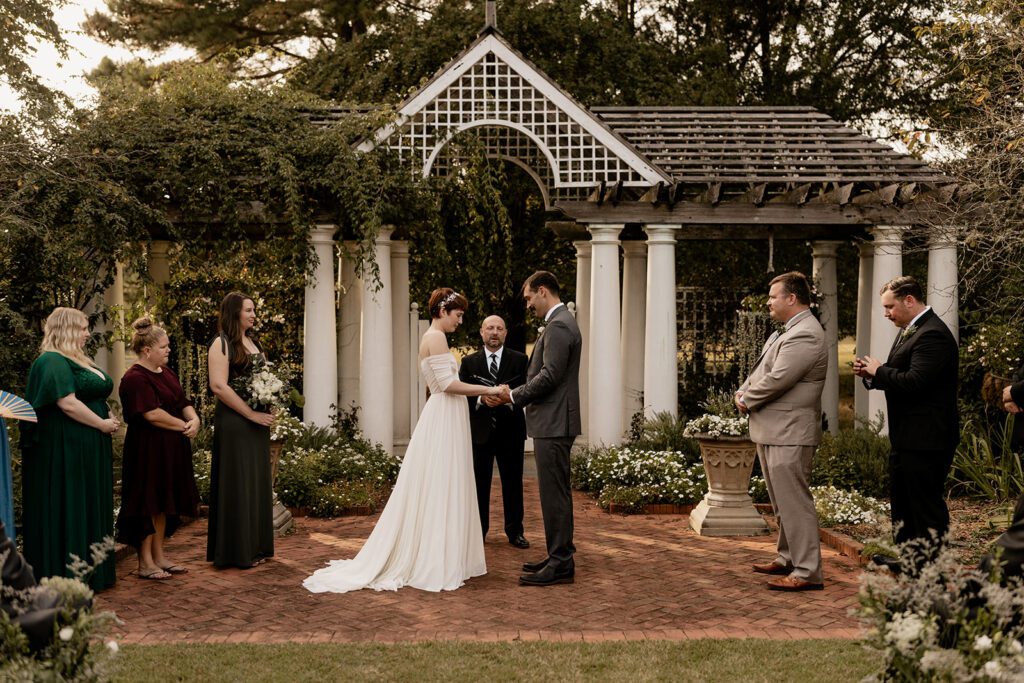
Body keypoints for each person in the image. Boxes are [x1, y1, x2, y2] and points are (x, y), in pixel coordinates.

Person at [304, 288, 503, 593]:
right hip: (443, 415)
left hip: (448, 415)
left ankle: (447, 554)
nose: (460, 322)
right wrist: (488, 390)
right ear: (442, 311)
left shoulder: (436, 337)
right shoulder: (435, 337)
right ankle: (434, 558)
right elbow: (447, 385)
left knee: (445, 482)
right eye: (458, 315)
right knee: (440, 484)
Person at [854, 275, 959, 562]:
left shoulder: (933, 334)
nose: (886, 314)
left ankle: (930, 567)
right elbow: (902, 375)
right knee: (904, 501)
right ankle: (908, 558)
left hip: (928, 437)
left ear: (909, 300)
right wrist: (872, 375)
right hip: (908, 436)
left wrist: (879, 371)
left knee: (925, 505)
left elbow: (915, 381)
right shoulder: (912, 330)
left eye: (890, 307)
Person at [735, 271, 828, 592]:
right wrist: (743, 390)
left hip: (790, 431)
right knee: (781, 502)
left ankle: (807, 571)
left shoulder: (806, 334)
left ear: (792, 298)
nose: (769, 302)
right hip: (773, 429)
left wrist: (747, 398)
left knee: (795, 502)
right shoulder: (787, 331)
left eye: (774, 296)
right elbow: (763, 370)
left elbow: (780, 378)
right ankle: (787, 557)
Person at [20, 307, 119, 591]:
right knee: (70, 501)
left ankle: (93, 571)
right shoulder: (51, 361)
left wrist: (106, 418)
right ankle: (67, 575)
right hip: (66, 448)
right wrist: (101, 424)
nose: (88, 333)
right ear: (66, 329)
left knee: (88, 501)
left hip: (87, 446)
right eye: (83, 328)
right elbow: (67, 403)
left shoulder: (76, 360)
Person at [495, 271, 582, 587]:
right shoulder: (561, 322)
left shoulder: (559, 325)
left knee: (554, 495)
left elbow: (551, 376)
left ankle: (560, 564)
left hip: (554, 421)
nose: (528, 304)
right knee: (555, 493)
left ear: (542, 291)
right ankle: (559, 556)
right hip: (555, 420)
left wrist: (513, 395)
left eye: (530, 297)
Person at [116, 317, 201, 580]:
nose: (168, 350)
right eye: (164, 347)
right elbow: (152, 414)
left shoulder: (167, 373)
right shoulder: (134, 379)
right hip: (148, 450)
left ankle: (160, 556)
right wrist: (184, 425)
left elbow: (181, 399)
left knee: (165, 502)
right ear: (147, 351)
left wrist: (194, 418)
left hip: (171, 448)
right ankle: (145, 562)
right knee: (148, 502)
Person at [207, 292, 275, 569]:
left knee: (255, 482)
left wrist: (272, 403)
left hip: (257, 422)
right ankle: (235, 551)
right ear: (235, 313)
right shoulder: (220, 344)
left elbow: (265, 378)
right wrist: (250, 414)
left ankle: (256, 546)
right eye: (249, 310)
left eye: (254, 310)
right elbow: (219, 386)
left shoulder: (253, 342)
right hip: (236, 422)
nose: (253, 314)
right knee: (237, 483)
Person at [459, 315, 530, 548]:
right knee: (479, 482)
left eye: (500, 328)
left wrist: (507, 399)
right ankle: (479, 531)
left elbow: (527, 392)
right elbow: (460, 396)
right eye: (490, 328)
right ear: (481, 332)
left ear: (506, 333)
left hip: (511, 430)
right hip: (480, 432)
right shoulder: (469, 363)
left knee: (513, 482)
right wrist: (481, 398)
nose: (495, 332)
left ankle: (515, 531)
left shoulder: (520, 360)